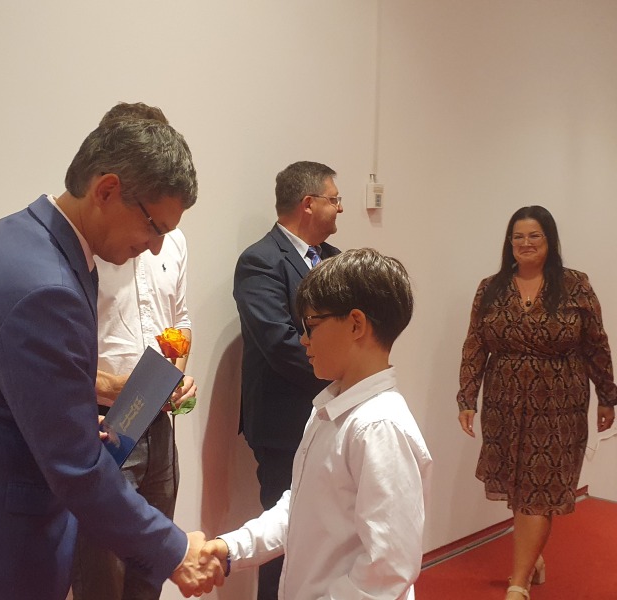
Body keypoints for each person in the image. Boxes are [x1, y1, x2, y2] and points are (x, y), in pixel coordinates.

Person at [0, 117, 223, 600]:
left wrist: (68, 418)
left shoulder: (16, 235)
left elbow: (7, 390)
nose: (156, 246)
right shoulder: (46, 288)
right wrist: (176, 550)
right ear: (106, 190)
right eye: (154, 226)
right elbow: (76, 467)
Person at [203, 248, 433, 599]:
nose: (303, 339)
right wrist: (232, 547)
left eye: (311, 325)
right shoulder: (330, 409)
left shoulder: (379, 428)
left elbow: (388, 568)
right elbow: (300, 508)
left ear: (356, 324)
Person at [456, 205, 617, 600]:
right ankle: (533, 560)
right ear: (509, 243)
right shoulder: (491, 287)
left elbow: (595, 343)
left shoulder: (575, 285)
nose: (525, 243)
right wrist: (467, 397)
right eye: (518, 237)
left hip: (560, 403)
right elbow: (475, 344)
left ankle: (518, 583)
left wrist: (607, 395)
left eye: (534, 236)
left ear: (549, 240)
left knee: (541, 487)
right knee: (520, 484)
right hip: (504, 401)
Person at [71, 102, 198, 600]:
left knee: (151, 570)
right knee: (102, 579)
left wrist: (174, 377)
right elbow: (56, 361)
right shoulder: (85, 246)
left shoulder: (174, 240)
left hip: (160, 426)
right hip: (104, 429)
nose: (154, 241)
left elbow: (180, 323)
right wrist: (119, 389)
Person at [233, 161, 342, 599]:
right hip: (284, 424)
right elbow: (278, 342)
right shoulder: (260, 261)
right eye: (334, 199)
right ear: (308, 203)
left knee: (329, 532)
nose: (340, 208)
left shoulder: (336, 259)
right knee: (283, 535)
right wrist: (343, 375)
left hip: (335, 416)